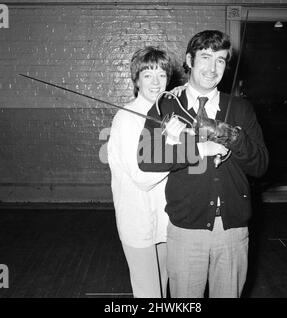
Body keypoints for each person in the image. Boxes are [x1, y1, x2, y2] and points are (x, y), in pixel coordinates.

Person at [138, 30, 269, 298]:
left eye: (220, 60)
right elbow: (147, 159)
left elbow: (261, 166)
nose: (212, 68)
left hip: (232, 231)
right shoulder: (166, 106)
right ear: (189, 59)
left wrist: (231, 136)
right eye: (206, 57)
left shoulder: (241, 109)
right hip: (186, 230)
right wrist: (197, 149)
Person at [108, 46, 175, 298]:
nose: (156, 82)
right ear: (136, 80)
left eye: (161, 75)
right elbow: (142, 178)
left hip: (166, 221)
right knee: (149, 294)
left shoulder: (169, 116)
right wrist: (186, 153)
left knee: (163, 288)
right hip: (138, 222)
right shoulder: (125, 119)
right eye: (148, 75)